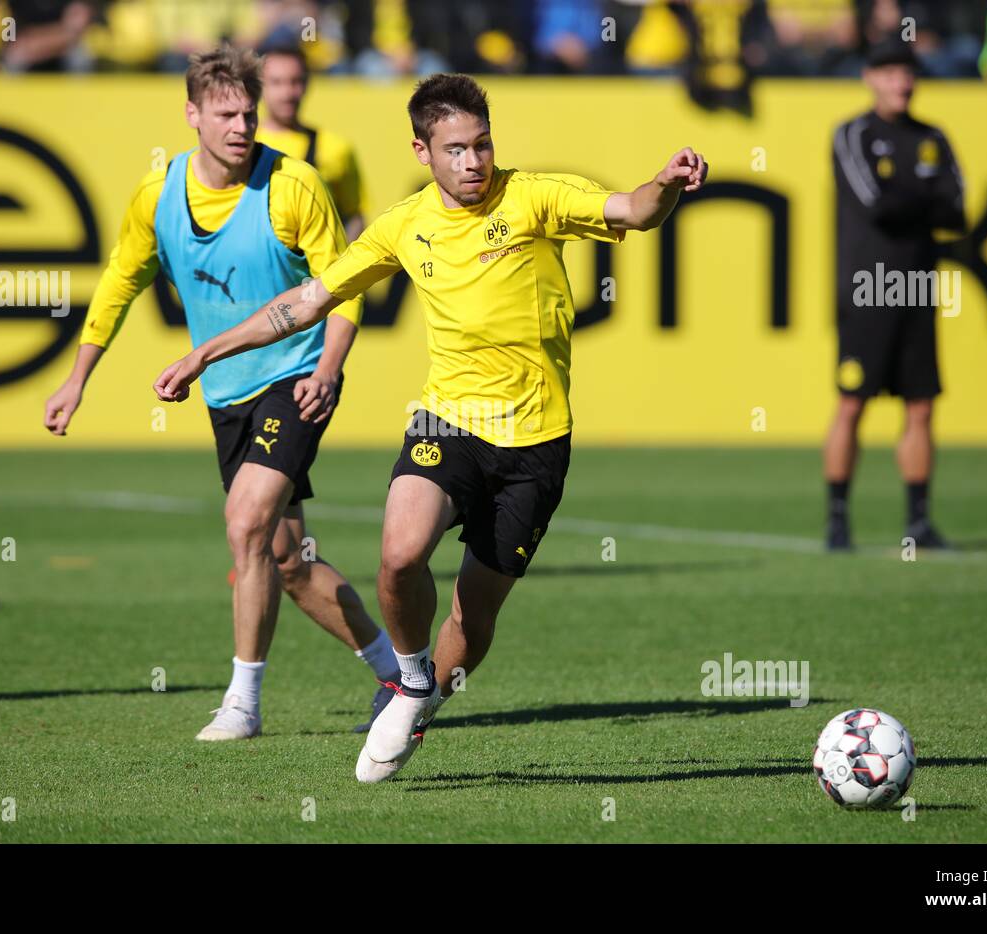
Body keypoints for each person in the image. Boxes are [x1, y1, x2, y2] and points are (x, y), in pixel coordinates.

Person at [152, 73, 708, 782]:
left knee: (472, 624)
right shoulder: (403, 225)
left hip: (536, 441)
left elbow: (632, 211)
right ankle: (411, 677)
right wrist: (205, 351)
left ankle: (423, 700)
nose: (472, 162)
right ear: (423, 150)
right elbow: (308, 301)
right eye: (455, 149)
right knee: (398, 555)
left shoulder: (534, 195)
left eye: (481, 145)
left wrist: (664, 181)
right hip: (446, 421)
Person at [42, 45, 399, 741]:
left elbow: (345, 288)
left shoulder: (294, 185)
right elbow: (120, 281)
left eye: (249, 112)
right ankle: (402, 673)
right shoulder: (159, 194)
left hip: (294, 378)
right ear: (192, 114)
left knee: (244, 524)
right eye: (226, 113)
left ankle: (242, 705)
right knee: (289, 562)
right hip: (226, 392)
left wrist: (328, 370)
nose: (242, 125)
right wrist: (78, 377)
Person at [825, 37, 966, 552]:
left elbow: (958, 212)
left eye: (907, 73)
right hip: (867, 288)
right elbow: (876, 204)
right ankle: (838, 519)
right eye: (889, 72)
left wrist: (913, 200)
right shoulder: (853, 134)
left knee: (922, 407)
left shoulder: (933, 137)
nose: (901, 82)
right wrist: (924, 200)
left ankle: (919, 521)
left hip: (918, 287)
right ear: (870, 77)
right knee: (852, 403)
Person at [256, 44, 368, 240]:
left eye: (295, 81)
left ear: (307, 84)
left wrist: (341, 266)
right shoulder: (241, 144)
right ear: (259, 86)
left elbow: (354, 216)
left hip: (316, 267)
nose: (287, 93)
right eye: (276, 82)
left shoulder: (336, 148)